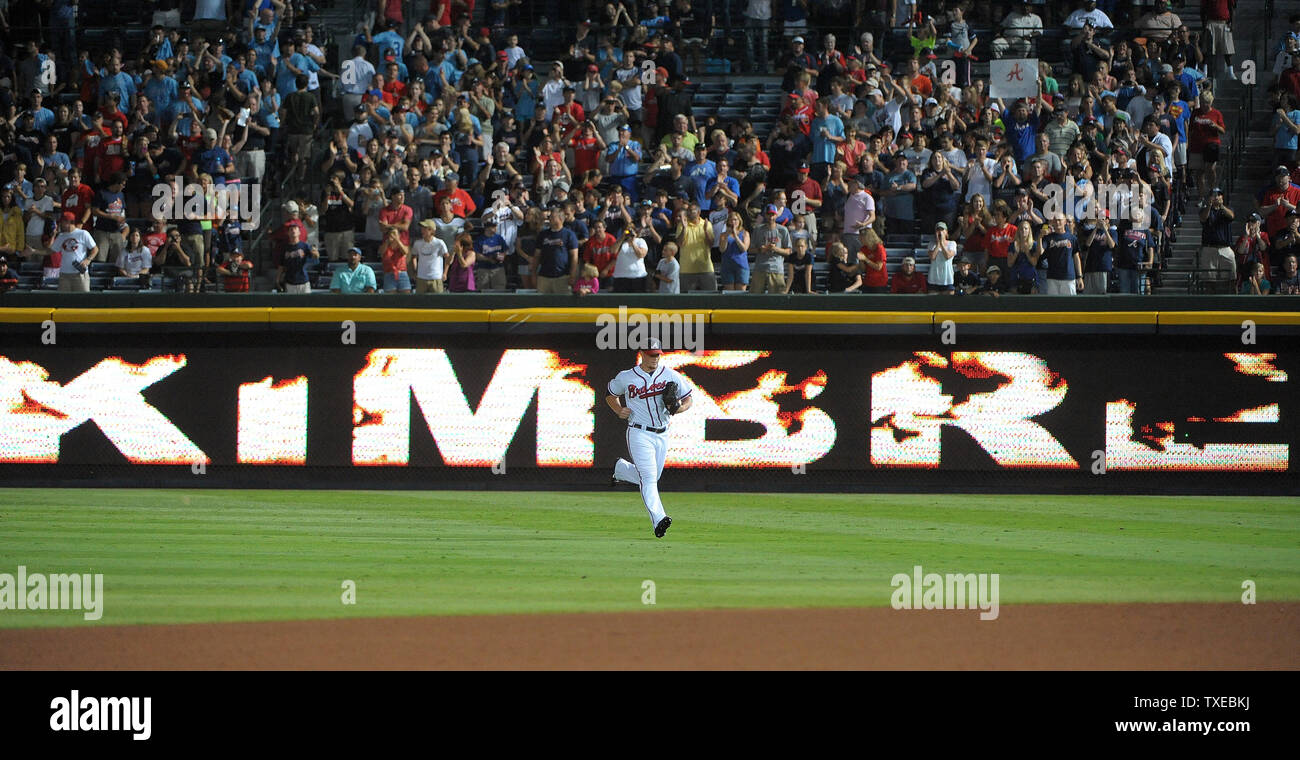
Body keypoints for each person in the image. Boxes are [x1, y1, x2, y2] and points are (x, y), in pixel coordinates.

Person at [607, 338, 694, 538]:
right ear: (642, 354)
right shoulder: (627, 377)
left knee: (652, 478)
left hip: (662, 433)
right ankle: (659, 519)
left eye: (657, 355)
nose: (655, 358)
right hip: (639, 432)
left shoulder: (671, 375)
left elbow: (689, 398)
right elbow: (610, 394)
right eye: (651, 354)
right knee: (648, 478)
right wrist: (618, 409)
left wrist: (680, 407)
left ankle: (620, 469)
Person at [49, 211, 98, 292]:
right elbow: (51, 251)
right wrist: (34, 251)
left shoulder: (83, 233)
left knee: (82, 301)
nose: (60, 224)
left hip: (79, 274)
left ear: (69, 222)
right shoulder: (61, 236)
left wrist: (88, 260)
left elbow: (95, 249)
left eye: (62, 222)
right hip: (64, 274)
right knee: (64, 301)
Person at [1198, 188, 1236, 289]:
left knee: (1230, 278)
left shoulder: (1227, 209)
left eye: (1219, 195)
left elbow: (1232, 216)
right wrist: (1209, 206)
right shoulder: (1205, 209)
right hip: (1209, 248)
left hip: (1225, 247)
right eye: (1214, 195)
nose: (1216, 197)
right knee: (1209, 279)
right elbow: (1203, 218)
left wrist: (1222, 206)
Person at [411, 220, 449, 293]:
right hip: (421, 278)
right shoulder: (417, 243)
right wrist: (415, 271)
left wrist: (445, 273)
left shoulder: (439, 243)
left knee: (437, 302)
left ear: (431, 230)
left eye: (425, 228)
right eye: (422, 228)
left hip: (436, 278)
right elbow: (413, 257)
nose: (422, 230)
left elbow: (447, 257)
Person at [927, 221, 958, 293]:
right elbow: (932, 257)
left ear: (946, 232)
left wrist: (942, 243)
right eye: (938, 230)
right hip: (933, 279)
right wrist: (938, 244)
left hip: (948, 279)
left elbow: (948, 256)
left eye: (942, 230)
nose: (940, 232)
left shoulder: (952, 243)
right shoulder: (931, 244)